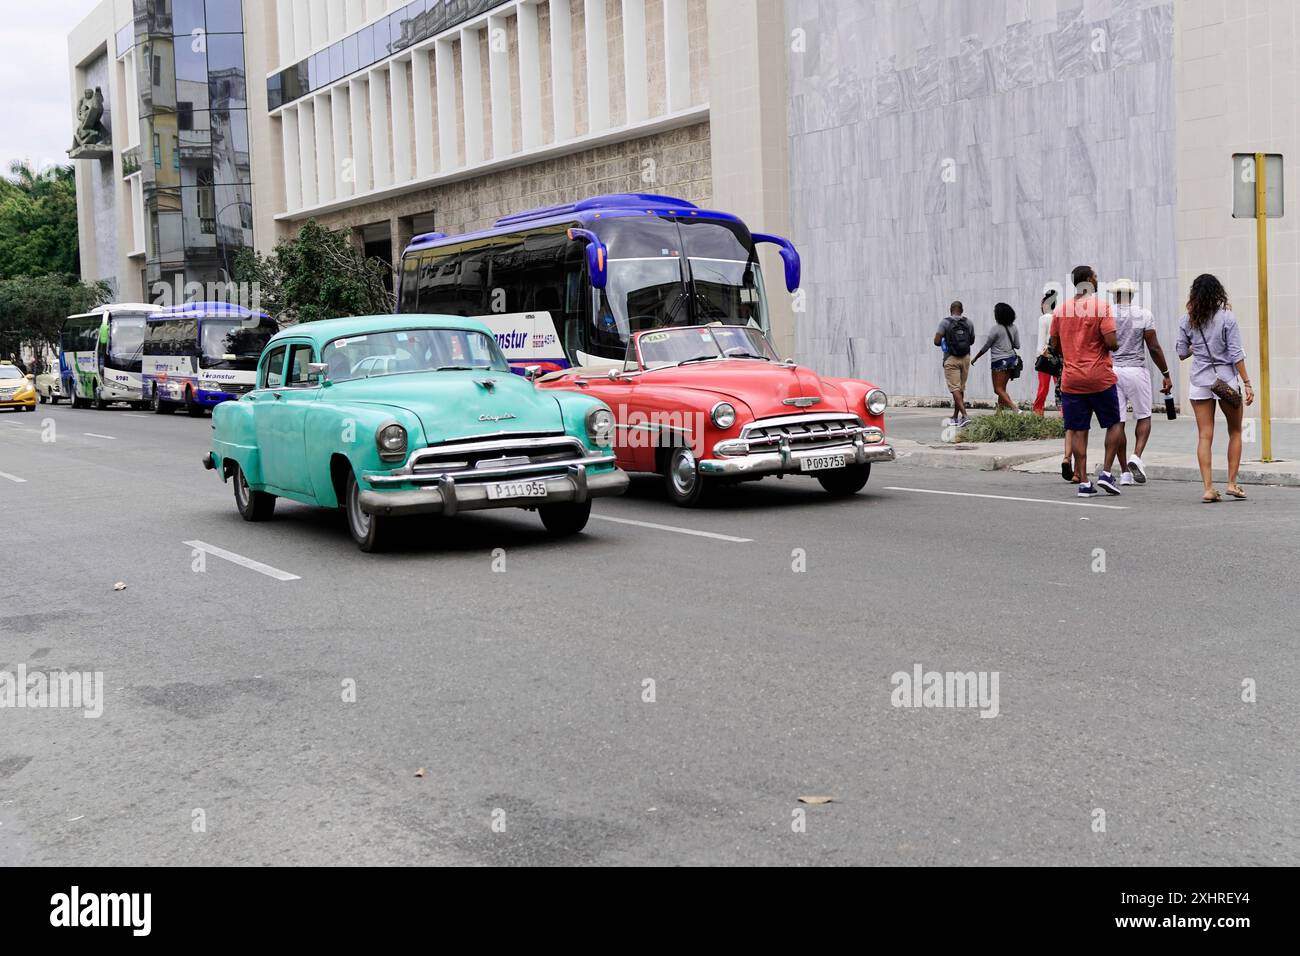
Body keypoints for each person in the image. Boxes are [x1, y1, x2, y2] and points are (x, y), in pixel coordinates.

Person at [1175, 273, 1255, 503]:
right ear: (1217, 293)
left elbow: (1181, 353)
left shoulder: (1186, 320)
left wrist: (1198, 347)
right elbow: (1236, 354)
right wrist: (1247, 382)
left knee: (1204, 436)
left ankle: (1208, 488)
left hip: (1200, 381)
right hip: (1226, 381)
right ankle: (1231, 483)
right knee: (1236, 431)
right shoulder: (1227, 318)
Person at [1049, 265, 1124, 496]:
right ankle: (1107, 472)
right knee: (1114, 423)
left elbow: (1054, 346)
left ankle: (1083, 482)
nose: (1097, 279)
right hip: (1099, 377)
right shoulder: (1102, 307)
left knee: (1079, 429)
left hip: (1071, 380)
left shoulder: (1060, 311)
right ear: (1089, 280)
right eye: (1096, 276)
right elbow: (1111, 343)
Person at [1109, 278, 1173, 486]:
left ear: (1115, 295)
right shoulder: (1143, 314)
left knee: (1118, 422)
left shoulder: (1107, 314)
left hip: (1113, 371)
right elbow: (1153, 347)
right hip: (1136, 370)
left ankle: (1125, 473)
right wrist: (1165, 372)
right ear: (1132, 295)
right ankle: (1136, 457)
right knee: (1144, 416)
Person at [970, 302, 1020, 412]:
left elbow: (986, 346)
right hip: (1012, 360)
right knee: (1003, 388)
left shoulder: (995, 329)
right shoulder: (1014, 328)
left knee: (997, 389)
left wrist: (976, 358)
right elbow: (1017, 345)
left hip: (999, 361)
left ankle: (1014, 408)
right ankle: (999, 414)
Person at [934, 301, 973, 426]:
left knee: (954, 388)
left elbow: (936, 341)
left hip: (951, 358)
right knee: (960, 387)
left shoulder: (945, 322)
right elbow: (971, 340)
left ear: (950, 309)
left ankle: (965, 415)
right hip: (966, 358)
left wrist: (946, 341)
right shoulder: (968, 322)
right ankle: (956, 417)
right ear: (962, 310)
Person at [1033, 291, 1062, 416]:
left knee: (1043, 388)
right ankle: (1064, 413)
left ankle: (1038, 412)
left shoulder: (1043, 318)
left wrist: (1039, 356)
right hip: (1059, 356)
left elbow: (1041, 340)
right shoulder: (1059, 317)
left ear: (1045, 305)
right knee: (1060, 386)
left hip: (1045, 356)